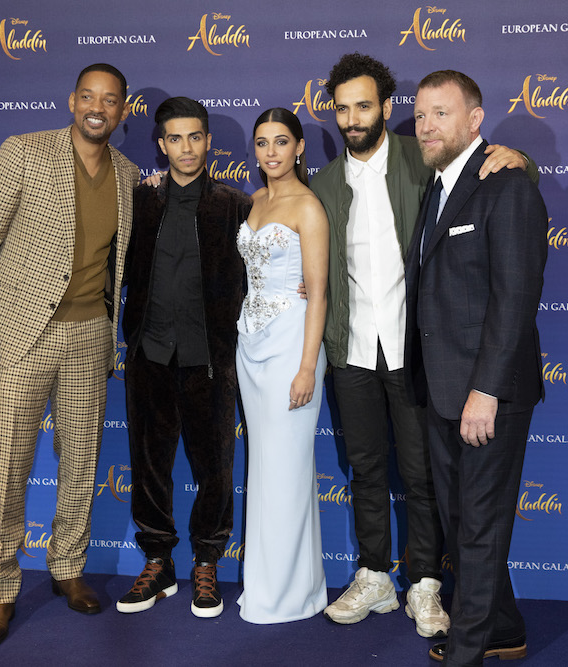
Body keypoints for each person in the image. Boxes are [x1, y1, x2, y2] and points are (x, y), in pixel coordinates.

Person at [309, 53, 537, 638]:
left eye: (365, 105)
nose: (353, 117)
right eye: (342, 107)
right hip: (354, 348)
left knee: (423, 477)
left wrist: (523, 158)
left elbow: (496, 174)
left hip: (419, 352)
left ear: (387, 109)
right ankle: (373, 574)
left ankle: (427, 583)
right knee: (363, 468)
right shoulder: (325, 183)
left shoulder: (426, 156)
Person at [0, 63, 138, 647]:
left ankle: (67, 569)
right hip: (21, 336)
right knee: (9, 462)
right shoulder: (24, 151)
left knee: (81, 461)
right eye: (88, 97)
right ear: (71, 101)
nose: (98, 107)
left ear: (122, 111)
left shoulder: (130, 176)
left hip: (92, 338)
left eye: (110, 101)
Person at [404, 70, 547, 665]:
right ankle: (503, 628)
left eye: (441, 112)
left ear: (475, 120)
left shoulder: (507, 184)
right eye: (419, 116)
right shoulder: (436, 189)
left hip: (488, 394)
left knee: (479, 527)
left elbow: (515, 298)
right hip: (441, 390)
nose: (427, 125)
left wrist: (485, 390)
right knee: (463, 520)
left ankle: (467, 651)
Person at [118, 97, 252, 619]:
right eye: (175, 138)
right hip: (149, 355)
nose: (187, 147)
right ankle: (158, 561)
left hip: (210, 361)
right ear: (161, 145)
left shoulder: (233, 205)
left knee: (214, 467)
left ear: (209, 141)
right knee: (149, 466)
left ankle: (206, 562)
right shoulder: (140, 202)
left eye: (195, 136)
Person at [236, 108, 330, 624]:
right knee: (266, 468)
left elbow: (318, 294)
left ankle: (288, 596)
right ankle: (288, 587)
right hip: (249, 344)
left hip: (293, 345)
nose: (270, 152)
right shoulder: (251, 202)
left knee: (287, 469)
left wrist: (307, 367)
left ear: (298, 148)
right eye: (261, 143)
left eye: (280, 142)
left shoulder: (308, 208)